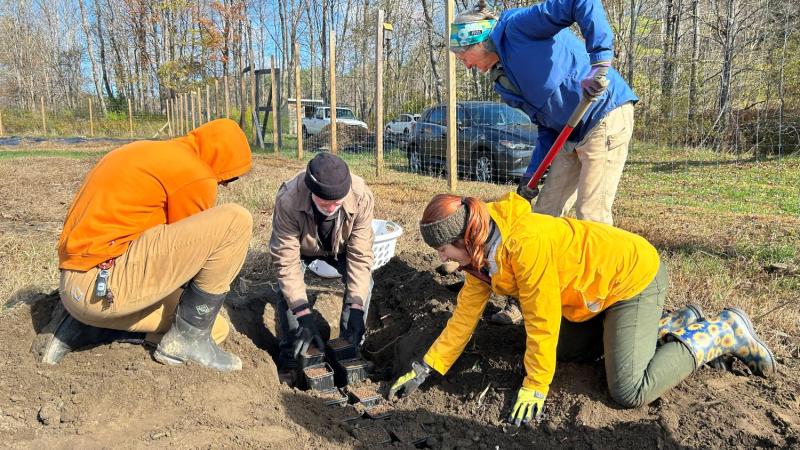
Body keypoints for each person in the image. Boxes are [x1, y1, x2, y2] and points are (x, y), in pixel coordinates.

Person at [389, 193, 775, 426]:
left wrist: (536, 386)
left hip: (631, 278)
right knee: (563, 350)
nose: (442, 259)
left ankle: (721, 331)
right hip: (592, 295)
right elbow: (463, 318)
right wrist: (428, 365)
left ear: (465, 237)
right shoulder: (480, 261)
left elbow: (541, 318)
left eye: (443, 250)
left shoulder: (525, 245)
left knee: (628, 390)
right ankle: (673, 324)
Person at [33, 119, 253, 372]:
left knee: (217, 327)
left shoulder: (145, 152)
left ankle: (87, 328)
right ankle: (187, 341)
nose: (224, 184)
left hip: (77, 285)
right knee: (235, 220)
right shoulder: (195, 174)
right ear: (221, 158)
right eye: (230, 177)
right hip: (104, 289)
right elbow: (189, 266)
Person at [449, 0, 637, 226]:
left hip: (603, 111)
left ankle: (604, 261)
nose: (467, 66)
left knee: (591, 214)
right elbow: (546, 125)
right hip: (570, 132)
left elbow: (581, 2)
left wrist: (599, 60)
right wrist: (531, 175)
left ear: (477, 43)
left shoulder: (518, 27)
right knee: (544, 214)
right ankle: (548, 260)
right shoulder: (503, 80)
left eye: (463, 58)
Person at [270, 152, 374, 376]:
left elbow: (360, 255)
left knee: (365, 285)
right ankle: (291, 359)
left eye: (337, 202)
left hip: (342, 248)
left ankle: (350, 349)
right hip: (301, 248)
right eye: (324, 202)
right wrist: (304, 316)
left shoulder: (361, 196)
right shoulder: (289, 199)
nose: (331, 207)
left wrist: (357, 308)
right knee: (287, 290)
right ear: (311, 192)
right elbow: (286, 262)